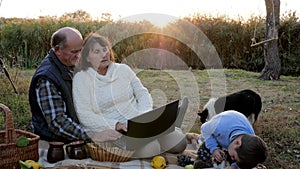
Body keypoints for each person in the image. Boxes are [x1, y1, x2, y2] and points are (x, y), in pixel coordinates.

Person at [73, 33, 196, 158]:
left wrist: (144, 114)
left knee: (179, 143)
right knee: (153, 148)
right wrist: (116, 124)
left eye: (105, 49)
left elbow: (142, 93)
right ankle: (164, 132)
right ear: (87, 57)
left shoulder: (123, 70)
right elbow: (84, 114)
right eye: (97, 51)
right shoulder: (81, 78)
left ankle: (165, 126)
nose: (104, 54)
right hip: (115, 131)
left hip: (140, 122)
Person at [29, 27, 121, 143]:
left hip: (77, 133)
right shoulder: (46, 78)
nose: (79, 55)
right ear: (57, 50)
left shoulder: (68, 63)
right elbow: (59, 123)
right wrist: (93, 135)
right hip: (55, 142)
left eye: (80, 50)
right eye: (74, 52)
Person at [196, 110, 268, 169]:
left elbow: (244, 160)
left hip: (231, 142)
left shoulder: (250, 139)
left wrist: (235, 166)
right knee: (202, 159)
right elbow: (204, 128)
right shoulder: (220, 126)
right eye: (234, 157)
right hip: (217, 134)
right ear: (237, 143)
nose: (233, 158)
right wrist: (214, 148)